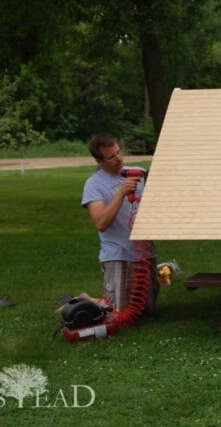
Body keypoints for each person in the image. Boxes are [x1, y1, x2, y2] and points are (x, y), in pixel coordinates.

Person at [81, 133, 158, 315]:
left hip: (144, 251)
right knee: (118, 312)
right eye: (112, 157)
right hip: (117, 253)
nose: (119, 159)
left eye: (119, 152)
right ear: (99, 161)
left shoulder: (139, 174)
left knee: (147, 311)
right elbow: (101, 223)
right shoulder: (93, 184)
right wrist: (121, 193)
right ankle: (83, 301)